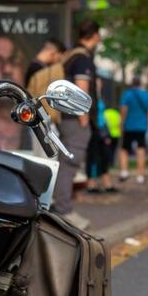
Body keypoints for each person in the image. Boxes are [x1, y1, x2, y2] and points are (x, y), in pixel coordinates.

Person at [52, 19, 101, 229]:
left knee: (65, 162)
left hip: (65, 117)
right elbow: (82, 88)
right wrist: (83, 116)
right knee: (70, 163)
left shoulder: (71, 55)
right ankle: (64, 210)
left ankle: (61, 206)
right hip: (75, 119)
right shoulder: (83, 59)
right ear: (96, 36)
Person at [119, 76, 148, 184]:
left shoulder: (127, 94)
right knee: (141, 149)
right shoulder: (147, 95)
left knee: (124, 149)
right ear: (140, 84)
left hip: (129, 126)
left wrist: (122, 122)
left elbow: (124, 110)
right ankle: (140, 175)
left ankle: (124, 171)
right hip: (142, 126)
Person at [86, 95, 118, 193]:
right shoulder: (89, 98)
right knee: (93, 159)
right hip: (93, 132)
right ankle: (91, 185)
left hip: (101, 133)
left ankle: (107, 184)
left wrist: (106, 134)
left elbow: (103, 119)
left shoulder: (98, 99)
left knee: (105, 158)